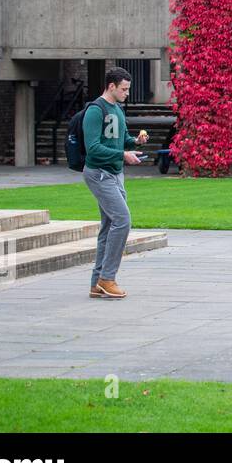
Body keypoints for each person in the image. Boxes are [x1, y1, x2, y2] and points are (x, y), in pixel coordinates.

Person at [83, 66, 148, 299]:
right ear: (111, 86)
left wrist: (136, 142)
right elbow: (93, 148)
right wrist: (122, 155)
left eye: (128, 89)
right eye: (124, 89)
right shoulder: (95, 110)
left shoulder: (117, 110)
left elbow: (118, 141)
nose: (126, 93)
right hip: (99, 174)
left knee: (109, 226)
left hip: (115, 173)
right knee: (122, 220)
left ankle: (96, 283)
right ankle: (107, 279)